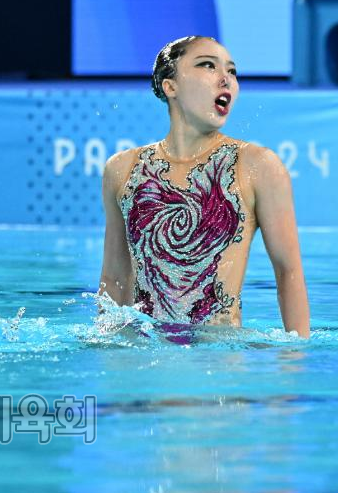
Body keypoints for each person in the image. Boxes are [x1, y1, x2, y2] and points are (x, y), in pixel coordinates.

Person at [98, 36, 309, 338]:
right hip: (142, 355)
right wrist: (107, 352)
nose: (226, 78)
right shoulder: (123, 169)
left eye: (232, 71)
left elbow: (288, 272)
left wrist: (295, 360)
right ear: (171, 87)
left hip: (218, 359)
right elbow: (114, 276)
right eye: (207, 65)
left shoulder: (256, 166)